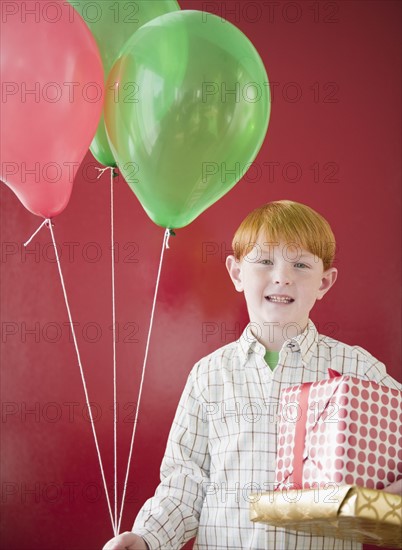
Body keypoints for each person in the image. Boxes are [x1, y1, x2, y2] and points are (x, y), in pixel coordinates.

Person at [103, 200, 401, 550]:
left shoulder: (356, 369)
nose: (282, 276)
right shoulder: (209, 376)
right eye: (264, 261)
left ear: (324, 282)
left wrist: (388, 503)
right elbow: (185, 483)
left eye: (301, 264)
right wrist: (146, 539)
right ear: (236, 273)